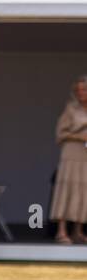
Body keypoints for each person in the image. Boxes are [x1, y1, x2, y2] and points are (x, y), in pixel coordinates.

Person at [51, 76, 87, 244]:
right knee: (67, 188)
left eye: (84, 90)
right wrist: (80, 136)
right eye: (78, 90)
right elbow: (61, 134)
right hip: (71, 153)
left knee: (83, 191)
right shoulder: (70, 110)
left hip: (85, 154)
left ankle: (78, 231)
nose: (81, 93)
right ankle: (61, 231)